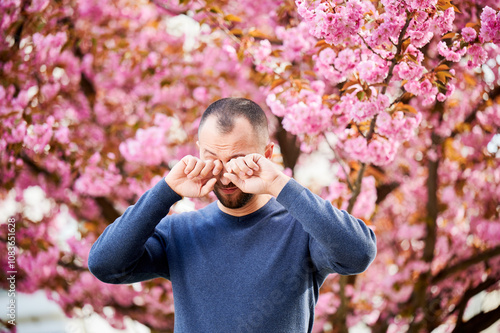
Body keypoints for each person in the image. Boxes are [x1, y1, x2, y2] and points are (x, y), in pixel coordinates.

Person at [88, 97, 377, 333]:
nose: (225, 176)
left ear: (266, 154)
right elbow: (105, 264)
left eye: (238, 161)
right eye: (213, 159)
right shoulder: (179, 233)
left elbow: (358, 254)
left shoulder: (301, 230)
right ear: (199, 152)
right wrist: (166, 191)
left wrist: (278, 184)